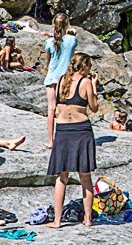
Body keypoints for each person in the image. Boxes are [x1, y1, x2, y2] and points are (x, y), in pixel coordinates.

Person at [47, 54, 98, 229]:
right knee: (85, 176)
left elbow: (52, 108)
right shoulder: (86, 83)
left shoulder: (61, 80)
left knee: (62, 177)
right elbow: (94, 107)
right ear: (84, 67)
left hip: (62, 131)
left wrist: (50, 137)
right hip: (81, 131)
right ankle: (88, 219)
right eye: (89, 66)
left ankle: (57, 220)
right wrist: (95, 87)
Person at [43, 14, 78, 151]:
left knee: (51, 109)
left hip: (51, 77)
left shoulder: (49, 42)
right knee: (66, 108)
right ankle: (68, 139)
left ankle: (51, 141)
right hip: (65, 78)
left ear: (53, 25)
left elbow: (48, 62)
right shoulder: (72, 40)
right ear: (67, 25)